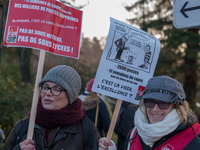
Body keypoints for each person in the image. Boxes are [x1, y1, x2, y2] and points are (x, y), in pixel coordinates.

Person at [2, 65, 101, 150]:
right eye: (45, 87)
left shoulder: (86, 130)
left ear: (70, 96)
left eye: (56, 89)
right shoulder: (22, 127)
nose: (48, 93)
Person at [99, 75, 200, 150]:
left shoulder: (194, 138)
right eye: (150, 102)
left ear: (176, 106)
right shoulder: (134, 133)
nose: (155, 109)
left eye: (163, 103)